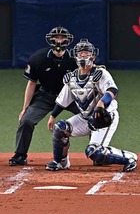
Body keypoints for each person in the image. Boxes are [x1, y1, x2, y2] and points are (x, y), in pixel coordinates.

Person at [45, 38, 138, 172]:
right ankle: (61, 162)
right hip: (85, 118)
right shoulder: (71, 77)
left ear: (93, 56)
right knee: (60, 128)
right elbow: (62, 100)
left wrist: (101, 104)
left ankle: (129, 157)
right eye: (80, 53)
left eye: (86, 53)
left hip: (104, 118)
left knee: (94, 152)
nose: (83, 56)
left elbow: (112, 90)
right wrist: (53, 116)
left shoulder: (100, 73)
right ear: (75, 55)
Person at [9, 26, 79, 166]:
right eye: (56, 37)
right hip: (46, 95)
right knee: (26, 120)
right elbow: (31, 83)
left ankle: (97, 153)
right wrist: (25, 108)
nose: (59, 40)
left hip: (70, 96)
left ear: (67, 40)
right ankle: (20, 155)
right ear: (51, 39)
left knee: (92, 116)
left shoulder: (74, 59)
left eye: (62, 37)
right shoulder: (38, 58)